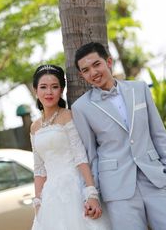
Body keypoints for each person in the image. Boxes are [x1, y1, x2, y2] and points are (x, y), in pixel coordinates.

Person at [71, 42, 166, 230]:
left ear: (108, 61)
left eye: (96, 64)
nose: (93, 73)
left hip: (155, 178)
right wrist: (92, 194)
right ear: (81, 75)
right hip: (117, 188)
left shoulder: (139, 89)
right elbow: (89, 154)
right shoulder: (81, 107)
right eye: (86, 70)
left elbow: (158, 134)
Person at [30, 64, 111, 230]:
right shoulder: (34, 127)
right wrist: (38, 202)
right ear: (35, 91)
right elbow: (39, 169)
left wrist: (91, 192)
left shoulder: (67, 116)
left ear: (61, 90)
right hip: (50, 195)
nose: (49, 92)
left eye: (55, 87)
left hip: (73, 188)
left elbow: (80, 156)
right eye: (43, 87)